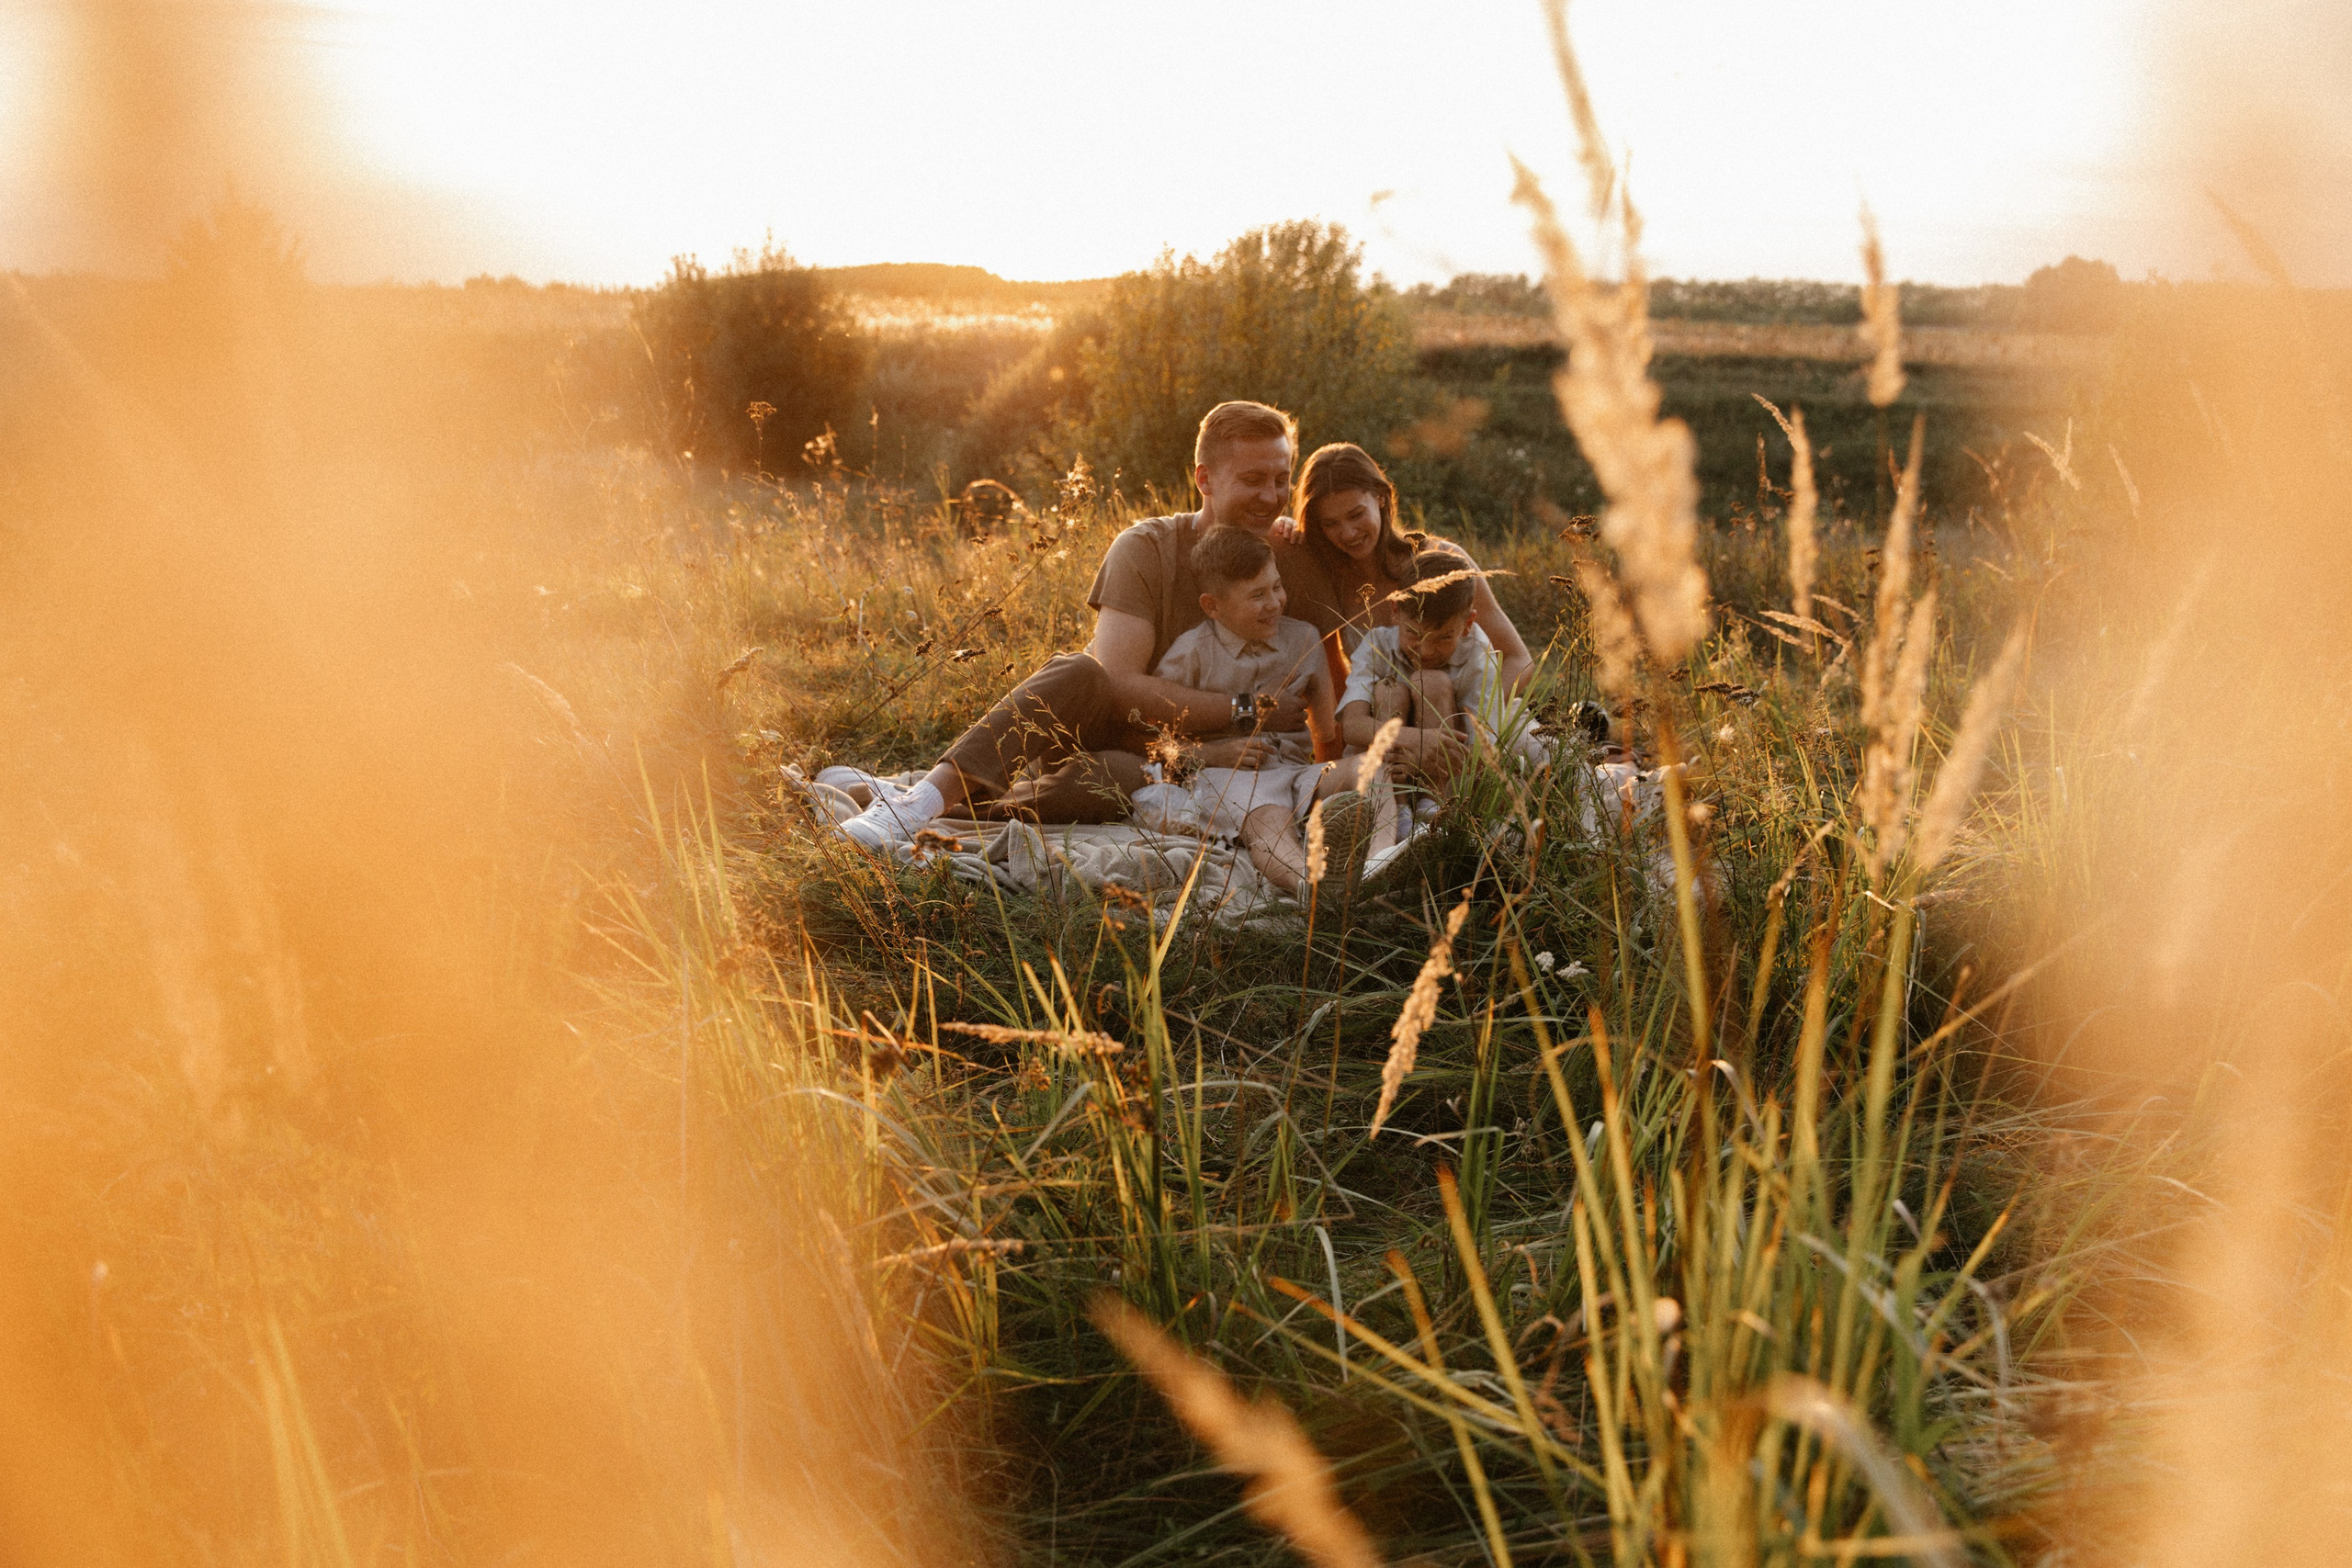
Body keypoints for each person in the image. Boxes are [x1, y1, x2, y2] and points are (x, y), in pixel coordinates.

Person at [830, 400, 1342, 850]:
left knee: (1113, 781)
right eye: (1252, 480)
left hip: (1167, 765)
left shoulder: (1290, 558)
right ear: (1204, 479)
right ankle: (913, 804)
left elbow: (1339, 655)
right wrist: (1249, 708)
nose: (1272, 496)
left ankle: (945, 808)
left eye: (1281, 479)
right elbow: (1118, 686)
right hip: (1108, 727)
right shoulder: (1147, 549)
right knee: (1082, 670)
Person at [1280, 442, 1534, 787]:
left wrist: (1471, 722)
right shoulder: (1328, 579)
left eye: (1356, 514)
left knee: (1534, 753)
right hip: (1388, 722)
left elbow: (1519, 659)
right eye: (1330, 523)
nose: (1348, 533)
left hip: (1465, 717)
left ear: (1381, 498)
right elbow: (1330, 682)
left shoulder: (1440, 561)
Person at [1152, 525, 1376, 896]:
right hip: (1230, 777)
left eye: (1276, 587)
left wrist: (1339, 774)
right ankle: (1312, 892)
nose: (1274, 603)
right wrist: (1210, 754)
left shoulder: (1303, 639)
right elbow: (1154, 745)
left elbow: (1327, 734)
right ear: (1213, 606)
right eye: (1257, 595)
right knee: (1269, 819)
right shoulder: (1190, 653)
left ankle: (1384, 857)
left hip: (1296, 773)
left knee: (1375, 768)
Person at [1335, 548, 1500, 800]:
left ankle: (1432, 807)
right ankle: (1394, 809)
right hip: (1382, 773)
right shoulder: (1377, 644)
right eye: (1413, 633)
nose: (1426, 651)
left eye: (1444, 637)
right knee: (1388, 690)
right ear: (1394, 610)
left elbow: (1484, 751)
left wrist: (1428, 757)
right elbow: (1353, 725)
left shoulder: (1478, 651)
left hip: (1448, 776)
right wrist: (1418, 741)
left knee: (1431, 682)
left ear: (1468, 623)